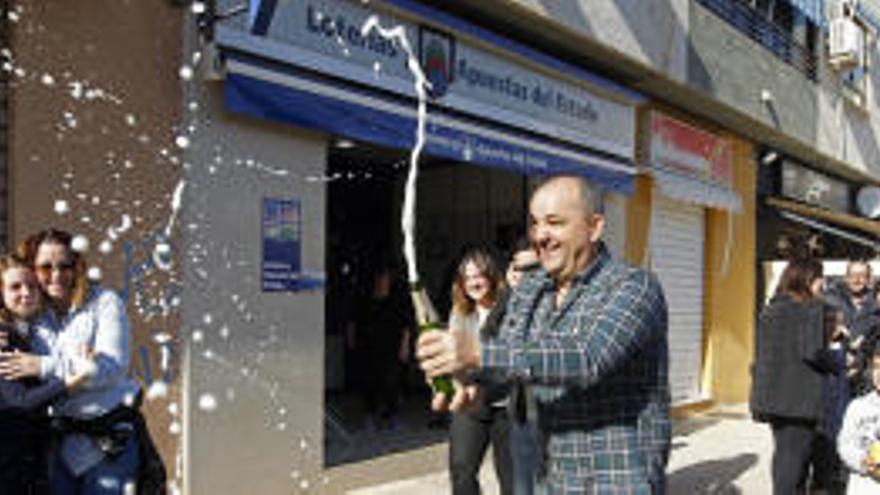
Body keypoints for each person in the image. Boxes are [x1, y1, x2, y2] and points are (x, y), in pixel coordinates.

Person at [417, 175, 671, 493]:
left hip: (619, 478)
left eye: (554, 222)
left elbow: (587, 357)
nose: (540, 235)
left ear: (594, 227)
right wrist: (469, 381)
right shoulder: (530, 289)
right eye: (535, 223)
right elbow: (508, 355)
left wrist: (476, 352)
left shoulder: (634, 286)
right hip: (552, 477)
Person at [0, 229, 144, 494]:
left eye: (64, 266)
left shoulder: (104, 303)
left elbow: (112, 367)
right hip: (58, 447)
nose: (55, 275)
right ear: (33, 268)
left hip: (107, 445)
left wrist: (44, 365)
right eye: (45, 267)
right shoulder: (32, 313)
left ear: (77, 267)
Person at [0, 254, 92, 494]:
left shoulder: (28, 331)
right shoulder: (4, 337)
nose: (26, 293)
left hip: (28, 459)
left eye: (32, 286)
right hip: (11, 466)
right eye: (15, 287)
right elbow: (20, 402)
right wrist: (71, 381)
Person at [751, 257, 836, 494]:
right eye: (820, 278)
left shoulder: (771, 309)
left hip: (773, 399)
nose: (823, 283)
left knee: (784, 456)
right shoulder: (810, 307)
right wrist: (838, 361)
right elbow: (812, 352)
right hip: (799, 400)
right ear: (807, 279)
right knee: (792, 461)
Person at [446, 247, 512, 495]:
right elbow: (455, 356)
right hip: (472, 400)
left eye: (479, 275)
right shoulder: (460, 312)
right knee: (461, 470)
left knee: (512, 480)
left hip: (509, 404)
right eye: (467, 277)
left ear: (491, 276)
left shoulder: (511, 307)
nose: (474, 282)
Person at [347, 264, 411, 431]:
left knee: (392, 383)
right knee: (370, 382)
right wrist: (351, 341)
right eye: (380, 279)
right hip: (368, 348)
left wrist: (404, 347)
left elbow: (406, 326)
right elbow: (353, 322)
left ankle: (393, 417)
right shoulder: (364, 299)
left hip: (391, 348)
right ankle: (369, 416)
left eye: (386, 279)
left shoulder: (396, 300)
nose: (383, 282)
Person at [837, 340, 880, 494]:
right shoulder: (858, 407)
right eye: (876, 367)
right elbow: (845, 445)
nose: (879, 374)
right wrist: (862, 461)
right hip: (864, 487)